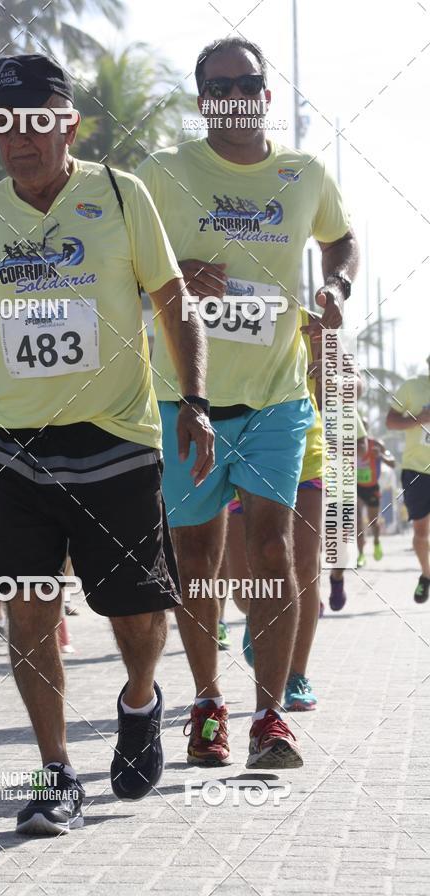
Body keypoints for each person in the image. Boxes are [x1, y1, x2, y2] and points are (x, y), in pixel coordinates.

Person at [0, 54, 214, 836]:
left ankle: (139, 701)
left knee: (134, 609)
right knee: (27, 608)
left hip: (116, 438)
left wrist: (192, 403)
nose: (18, 138)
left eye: (33, 120)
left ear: (68, 124)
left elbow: (174, 302)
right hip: (10, 446)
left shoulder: (123, 198)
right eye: (3, 123)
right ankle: (55, 771)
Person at [137, 37, 358, 768]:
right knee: (196, 557)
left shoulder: (304, 173)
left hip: (275, 395)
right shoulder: (164, 175)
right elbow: (118, 262)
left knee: (271, 547)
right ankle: (206, 703)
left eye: (248, 81)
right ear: (203, 100)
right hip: (185, 399)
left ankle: (269, 716)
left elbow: (343, 238)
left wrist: (336, 285)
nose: (234, 93)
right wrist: (168, 278)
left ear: (266, 94)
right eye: (218, 83)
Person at [220, 307, 324, 712]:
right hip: (238, 443)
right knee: (246, 582)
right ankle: (258, 616)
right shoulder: (216, 300)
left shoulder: (302, 313)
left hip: (302, 445)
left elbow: (340, 386)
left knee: (304, 564)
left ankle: (296, 675)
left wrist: (335, 365)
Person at [386, 355, 430, 602]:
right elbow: (390, 421)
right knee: (421, 531)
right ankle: (426, 574)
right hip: (417, 470)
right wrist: (419, 419)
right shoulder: (412, 387)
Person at [328, 409, 368, 610]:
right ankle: (311, 597)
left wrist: (336, 446)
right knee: (308, 545)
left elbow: (362, 446)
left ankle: (337, 577)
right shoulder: (299, 401)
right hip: (309, 480)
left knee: (340, 548)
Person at [355, 417, 395, 567]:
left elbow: (393, 463)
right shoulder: (348, 445)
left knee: (373, 522)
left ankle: (377, 541)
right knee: (358, 522)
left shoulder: (376, 444)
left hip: (371, 487)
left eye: (363, 426)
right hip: (355, 487)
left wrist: (382, 456)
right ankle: (360, 554)